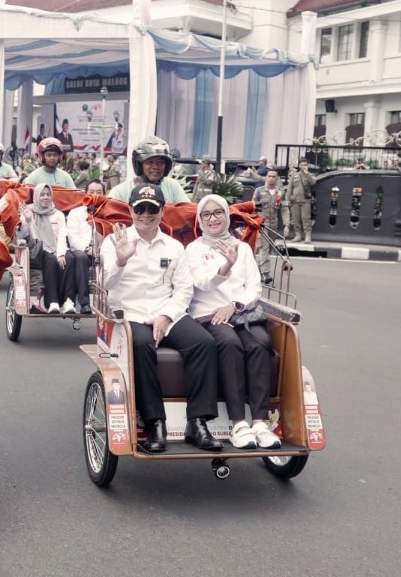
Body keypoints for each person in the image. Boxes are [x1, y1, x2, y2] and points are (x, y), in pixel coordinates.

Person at [100, 183, 221, 453]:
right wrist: (120, 261)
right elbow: (105, 284)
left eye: (151, 209)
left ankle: (198, 421)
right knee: (141, 346)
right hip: (128, 314)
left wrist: (166, 315)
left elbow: (184, 289)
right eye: (139, 208)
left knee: (203, 342)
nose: (145, 214)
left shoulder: (174, 247)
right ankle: (155, 422)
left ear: (162, 211)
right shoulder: (114, 242)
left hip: (167, 312)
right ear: (130, 210)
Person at [186, 194, 281, 450]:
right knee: (230, 345)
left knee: (260, 343)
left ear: (227, 216)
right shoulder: (194, 249)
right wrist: (225, 266)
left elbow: (254, 287)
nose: (213, 218)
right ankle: (239, 422)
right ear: (200, 219)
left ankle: (260, 422)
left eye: (218, 213)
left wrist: (236, 305)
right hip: (209, 314)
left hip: (241, 313)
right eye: (206, 214)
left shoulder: (243, 248)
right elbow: (202, 282)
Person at [16, 183, 69, 313]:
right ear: (36, 196)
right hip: (36, 251)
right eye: (42, 195)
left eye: (48, 194)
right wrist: (28, 220)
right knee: (50, 259)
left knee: (70, 259)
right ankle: (53, 301)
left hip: (55, 249)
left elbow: (62, 236)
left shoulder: (58, 214)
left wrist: (61, 254)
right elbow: (21, 235)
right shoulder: (29, 211)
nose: (45, 197)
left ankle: (69, 301)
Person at [108, 136, 189, 204]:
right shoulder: (120, 192)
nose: (156, 166)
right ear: (139, 164)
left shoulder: (172, 187)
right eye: (150, 162)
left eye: (160, 162)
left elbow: (188, 211)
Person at [65, 179, 105, 313]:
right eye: (91, 192)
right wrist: (87, 249)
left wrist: (100, 250)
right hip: (80, 251)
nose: (95, 195)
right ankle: (84, 302)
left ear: (104, 194)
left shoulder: (108, 213)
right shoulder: (76, 213)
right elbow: (72, 236)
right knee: (81, 257)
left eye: (99, 192)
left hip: (102, 252)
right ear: (86, 194)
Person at [252, 170, 291, 284]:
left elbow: (284, 209)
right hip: (263, 223)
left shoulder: (280, 193)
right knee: (264, 247)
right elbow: (252, 207)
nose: (271, 178)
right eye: (269, 176)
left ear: (277, 178)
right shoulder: (259, 191)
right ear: (266, 177)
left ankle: (256, 271)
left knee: (269, 248)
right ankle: (266, 273)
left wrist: (286, 225)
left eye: (274, 176)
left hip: (274, 223)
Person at [288, 159, 316, 243]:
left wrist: (307, 173)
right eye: (302, 165)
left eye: (305, 165)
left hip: (305, 201)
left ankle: (308, 235)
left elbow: (313, 182)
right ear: (299, 166)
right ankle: (298, 235)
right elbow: (290, 188)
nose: (303, 166)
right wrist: (288, 198)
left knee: (306, 218)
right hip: (295, 200)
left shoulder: (310, 175)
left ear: (307, 166)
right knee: (295, 218)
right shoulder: (294, 175)